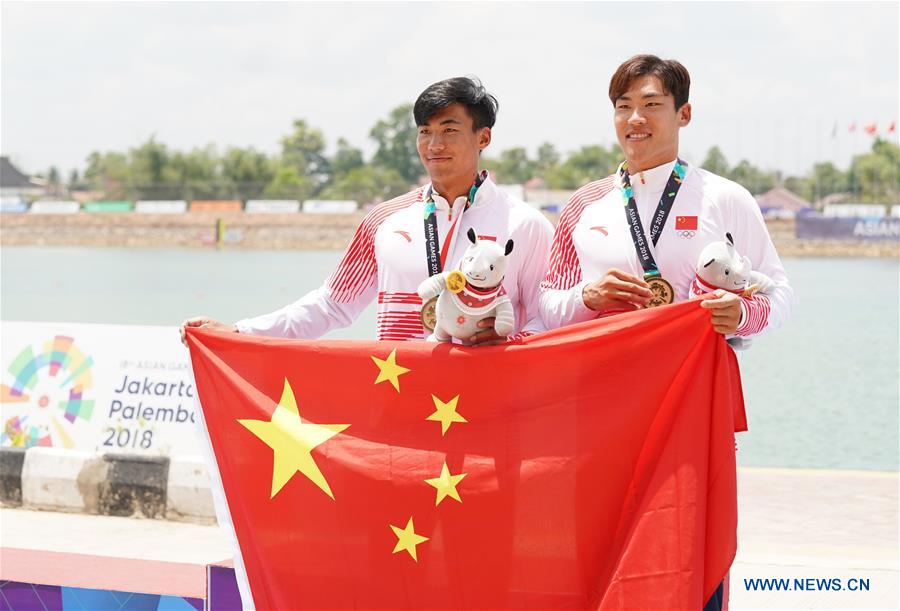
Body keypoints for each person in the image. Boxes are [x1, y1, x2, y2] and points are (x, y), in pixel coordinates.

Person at [538, 55, 793, 610]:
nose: (636, 119)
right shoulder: (584, 206)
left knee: (690, 550)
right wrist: (587, 298)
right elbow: (544, 310)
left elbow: (777, 294)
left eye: (652, 105)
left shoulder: (725, 199)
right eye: (624, 107)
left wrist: (740, 315)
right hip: (602, 414)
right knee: (597, 554)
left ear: (684, 114)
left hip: (693, 413)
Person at [182, 77, 553, 345]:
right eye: (425, 131)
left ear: (483, 137)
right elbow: (332, 305)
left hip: (488, 405)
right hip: (401, 402)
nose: (434, 144)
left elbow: (546, 319)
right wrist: (241, 332)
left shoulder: (526, 225)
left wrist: (509, 340)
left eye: (450, 130)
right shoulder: (385, 220)